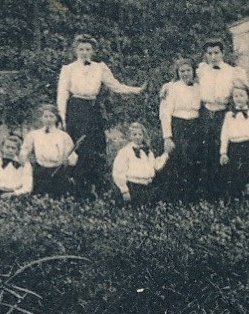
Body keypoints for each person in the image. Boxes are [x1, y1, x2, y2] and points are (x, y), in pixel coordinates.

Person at [56, 34, 143, 195]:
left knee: (97, 146)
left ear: (93, 51)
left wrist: (136, 90)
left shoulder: (99, 67)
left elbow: (115, 85)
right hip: (76, 109)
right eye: (81, 49)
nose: (84, 52)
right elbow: (62, 95)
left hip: (93, 109)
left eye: (88, 49)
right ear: (75, 50)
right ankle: (80, 189)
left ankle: (97, 186)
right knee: (81, 148)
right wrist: (62, 118)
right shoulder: (68, 69)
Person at [197, 39, 249, 202]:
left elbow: (245, 92)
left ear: (222, 53)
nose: (213, 57)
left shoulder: (232, 72)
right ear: (205, 55)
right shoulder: (201, 70)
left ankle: (226, 192)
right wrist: (167, 86)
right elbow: (183, 77)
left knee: (225, 151)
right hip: (205, 114)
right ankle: (208, 194)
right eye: (210, 53)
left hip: (223, 114)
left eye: (216, 53)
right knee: (207, 153)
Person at [158, 57, 204, 202]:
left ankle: (193, 196)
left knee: (195, 159)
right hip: (179, 126)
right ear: (177, 73)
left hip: (196, 126)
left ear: (193, 71)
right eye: (181, 71)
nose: (185, 74)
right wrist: (167, 137)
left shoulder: (199, 86)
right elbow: (165, 114)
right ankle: (177, 198)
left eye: (188, 70)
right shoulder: (172, 88)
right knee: (179, 161)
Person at [219, 83, 249, 202]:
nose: (239, 98)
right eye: (236, 96)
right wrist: (223, 153)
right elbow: (224, 135)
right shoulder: (229, 115)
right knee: (235, 173)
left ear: (248, 97)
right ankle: (236, 197)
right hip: (234, 147)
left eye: (241, 95)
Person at [21, 104, 79, 197]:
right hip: (40, 171)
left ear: (56, 118)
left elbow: (72, 156)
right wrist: (26, 162)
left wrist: (67, 161)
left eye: (51, 116)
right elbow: (24, 151)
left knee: (59, 197)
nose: (48, 119)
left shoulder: (63, 136)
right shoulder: (34, 135)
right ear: (41, 118)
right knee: (40, 196)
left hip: (58, 171)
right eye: (46, 116)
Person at [112, 122, 169, 205]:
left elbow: (155, 166)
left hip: (147, 187)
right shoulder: (125, 151)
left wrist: (165, 155)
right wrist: (124, 190)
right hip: (133, 186)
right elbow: (118, 171)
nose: (137, 137)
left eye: (140, 134)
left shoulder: (147, 151)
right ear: (129, 136)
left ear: (143, 135)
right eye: (134, 134)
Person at [0, 135, 33, 199]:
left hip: (18, 195)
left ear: (18, 150)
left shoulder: (25, 165)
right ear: (2, 148)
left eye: (13, 148)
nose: (10, 150)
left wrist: (13, 194)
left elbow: (27, 188)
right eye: (7, 147)